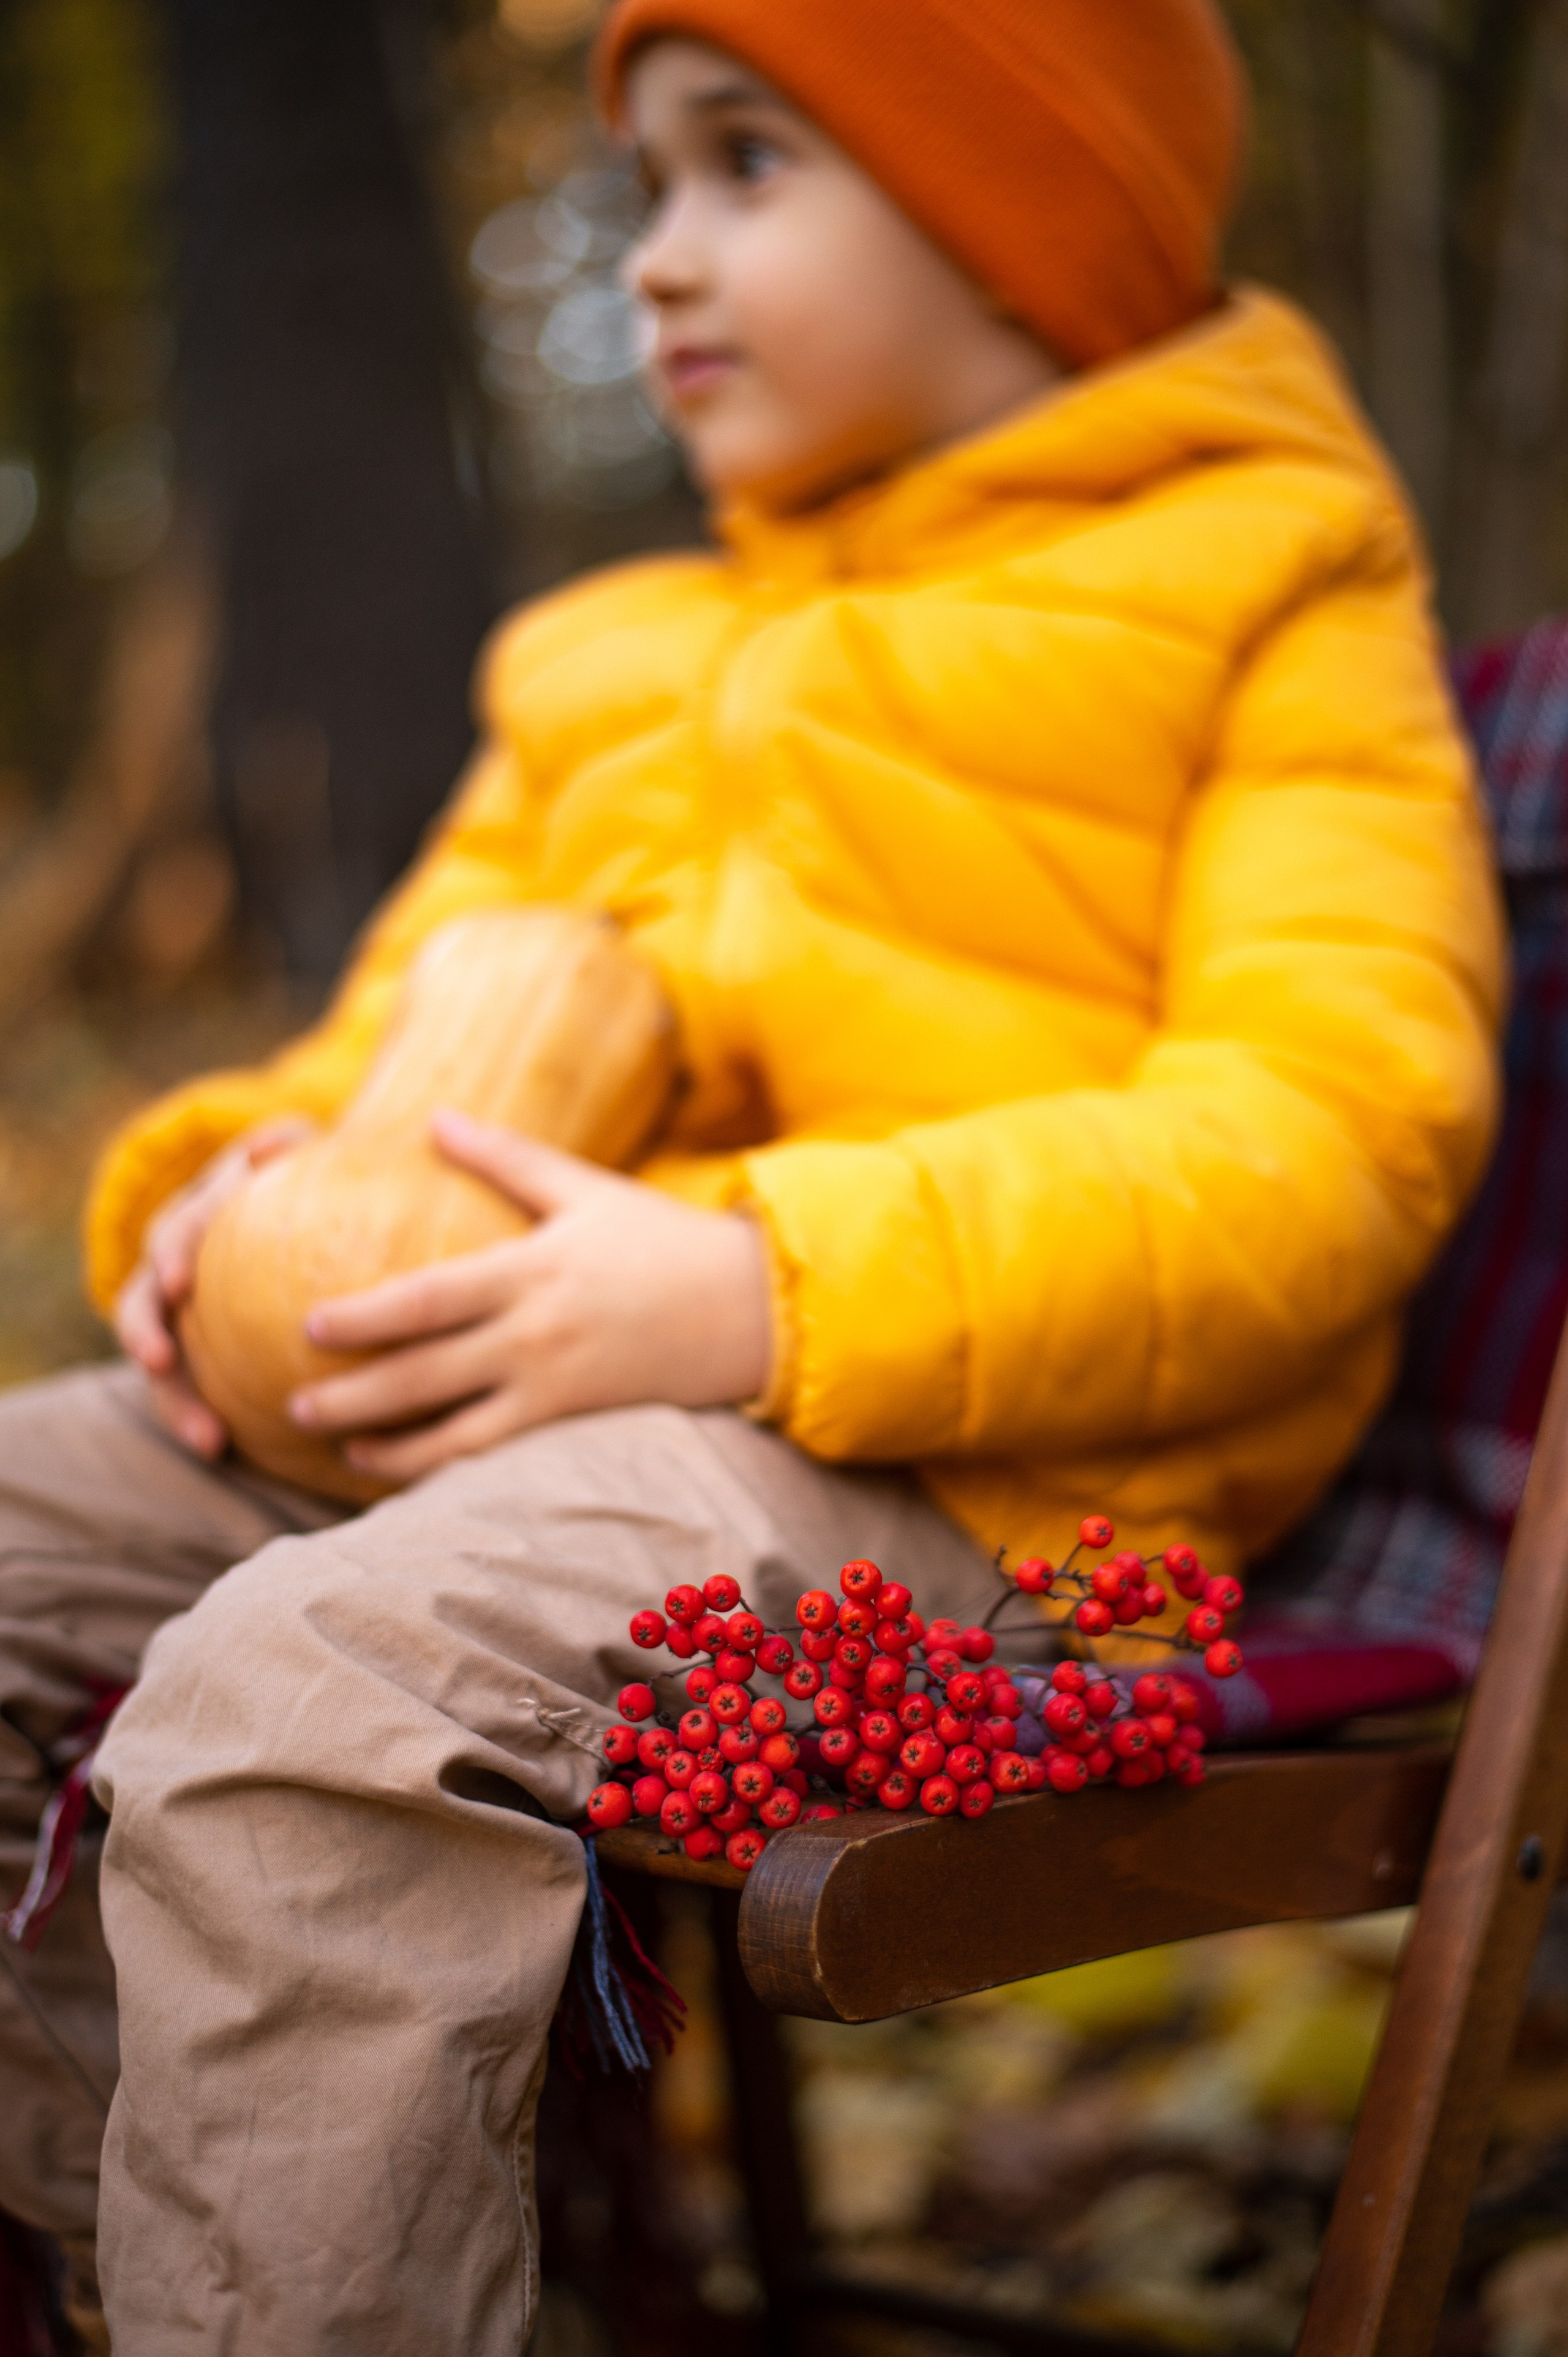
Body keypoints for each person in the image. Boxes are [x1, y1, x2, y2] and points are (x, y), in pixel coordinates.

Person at [0, 0, 1504, 2347]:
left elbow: (1328, 1149)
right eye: (641, 194)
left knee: (315, 1694)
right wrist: (221, 1189)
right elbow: (369, 1052)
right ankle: (169, 2281)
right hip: (499, 1397)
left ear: (1035, 229)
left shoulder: (1273, 593)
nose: (660, 265)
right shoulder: (609, 653)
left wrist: (756, 1285)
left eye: (748, 166)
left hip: (977, 1475)